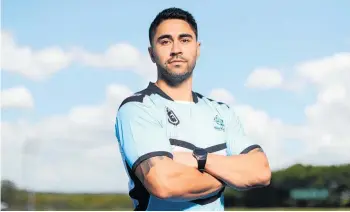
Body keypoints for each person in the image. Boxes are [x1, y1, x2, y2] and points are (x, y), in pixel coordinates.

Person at [115, 7, 271, 211]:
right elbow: (164, 183)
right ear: (151, 53)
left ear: (197, 49)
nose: (176, 49)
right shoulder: (138, 108)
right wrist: (229, 175)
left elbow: (260, 171)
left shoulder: (221, 111)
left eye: (185, 40)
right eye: (165, 41)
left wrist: (199, 159)